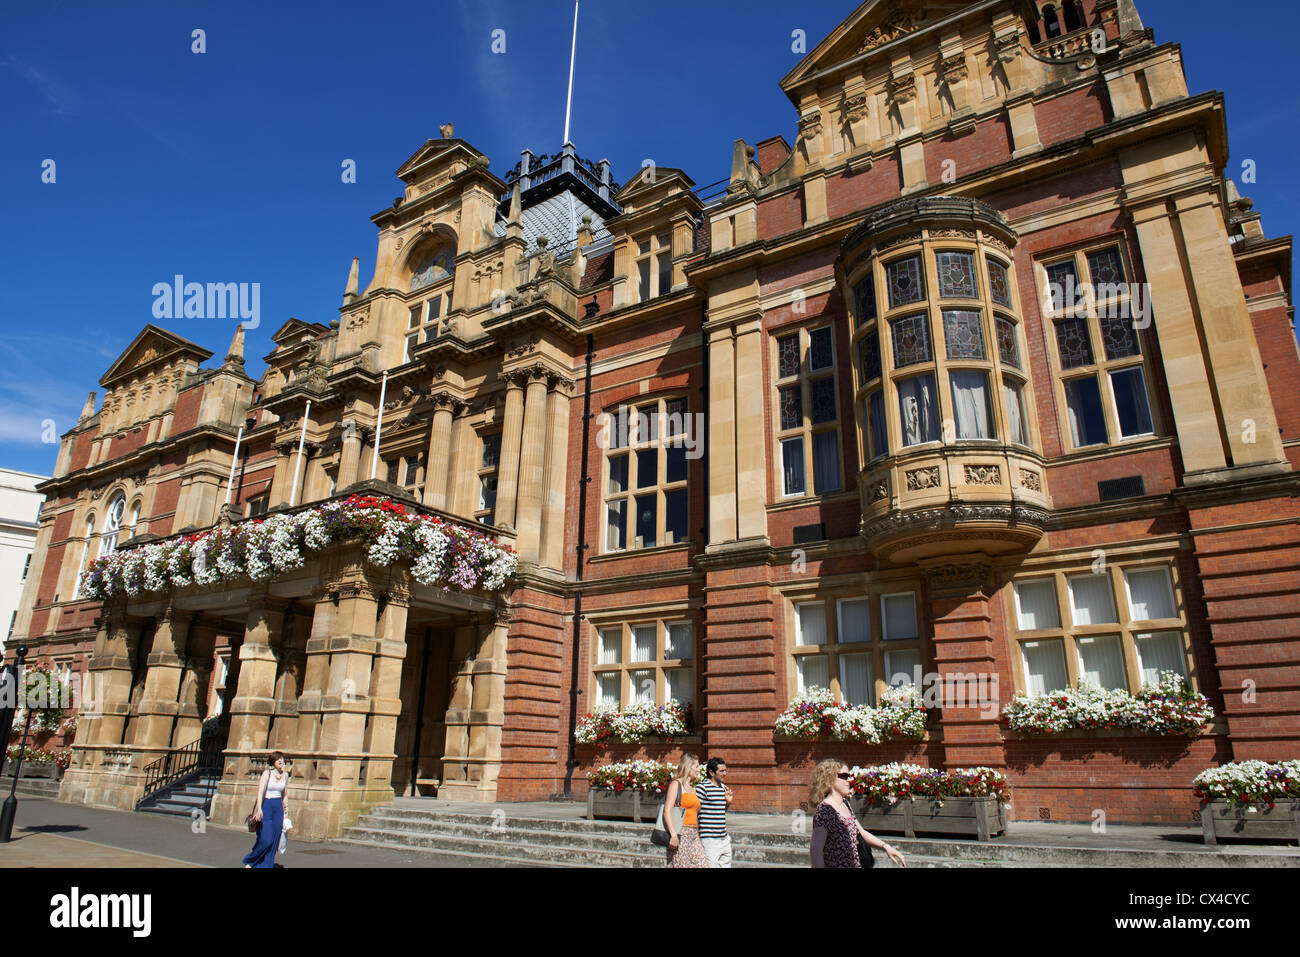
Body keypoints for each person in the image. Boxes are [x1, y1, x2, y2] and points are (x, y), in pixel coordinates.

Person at [809, 759, 906, 869]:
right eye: (844, 776)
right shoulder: (824, 810)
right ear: (829, 778)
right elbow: (816, 849)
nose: (849, 780)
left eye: (849, 776)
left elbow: (861, 833)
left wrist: (886, 847)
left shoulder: (845, 804)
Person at [243, 752, 290, 868]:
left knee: (275, 839)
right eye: (277, 759)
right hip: (267, 806)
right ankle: (251, 861)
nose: (280, 761)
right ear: (273, 762)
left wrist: (286, 810)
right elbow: (260, 792)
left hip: (278, 807)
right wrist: (259, 809)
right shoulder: (267, 773)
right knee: (266, 839)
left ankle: (266, 865)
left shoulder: (285, 775)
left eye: (281, 759)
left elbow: (284, 794)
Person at [663, 754, 708, 868]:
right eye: (696, 767)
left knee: (702, 864)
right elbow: (667, 810)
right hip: (680, 832)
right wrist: (673, 835)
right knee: (681, 864)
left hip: (693, 834)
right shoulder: (676, 784)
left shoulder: (693, 788)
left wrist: (697, 835)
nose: (698, 770)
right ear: (688, 766)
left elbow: (695, 814)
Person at [696, 757, 733, 867]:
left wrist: (728, 802)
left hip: (723, 837)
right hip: (709, 838)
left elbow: (719, 811)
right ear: (711, 772)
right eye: (721, 771)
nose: (725, 773)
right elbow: (696, 812)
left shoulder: (723, 788)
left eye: (725, 770)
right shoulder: (702, 788)